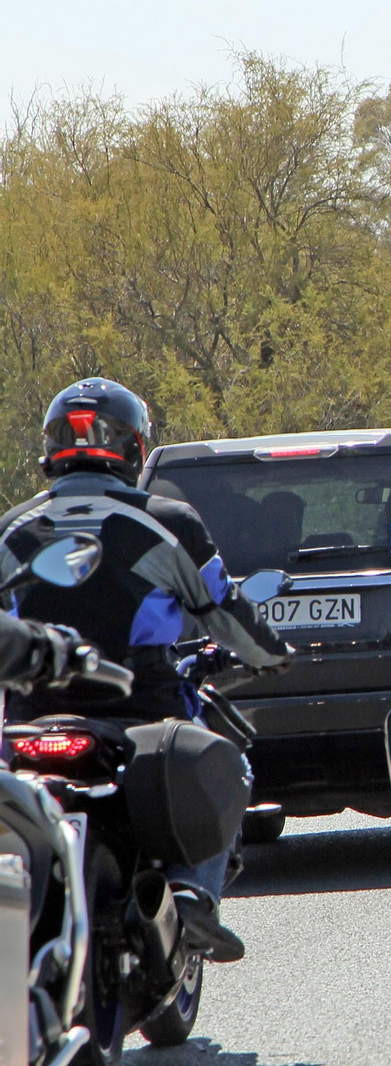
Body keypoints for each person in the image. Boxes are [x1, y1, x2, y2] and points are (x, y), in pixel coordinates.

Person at [0, 377, 294, 964]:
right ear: (134, 447)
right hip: (143, 709)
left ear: (51, 447)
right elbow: (224, 608)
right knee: (229, 764)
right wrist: (273, 655)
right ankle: (191, 892)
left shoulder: (10, 527)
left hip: (30, 714)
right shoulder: (168, 520)